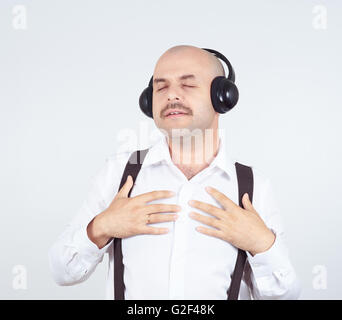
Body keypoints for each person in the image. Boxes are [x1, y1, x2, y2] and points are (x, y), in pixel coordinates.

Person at [48, 45, 301, 299]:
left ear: (222, 97)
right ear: (149, 102)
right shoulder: (118, 172)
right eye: (161, 87)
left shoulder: (253, 185)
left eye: (187, 85)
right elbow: (62, 271)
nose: (171, 95)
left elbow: (285, 296)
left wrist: (261, 245)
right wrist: (102, 226)